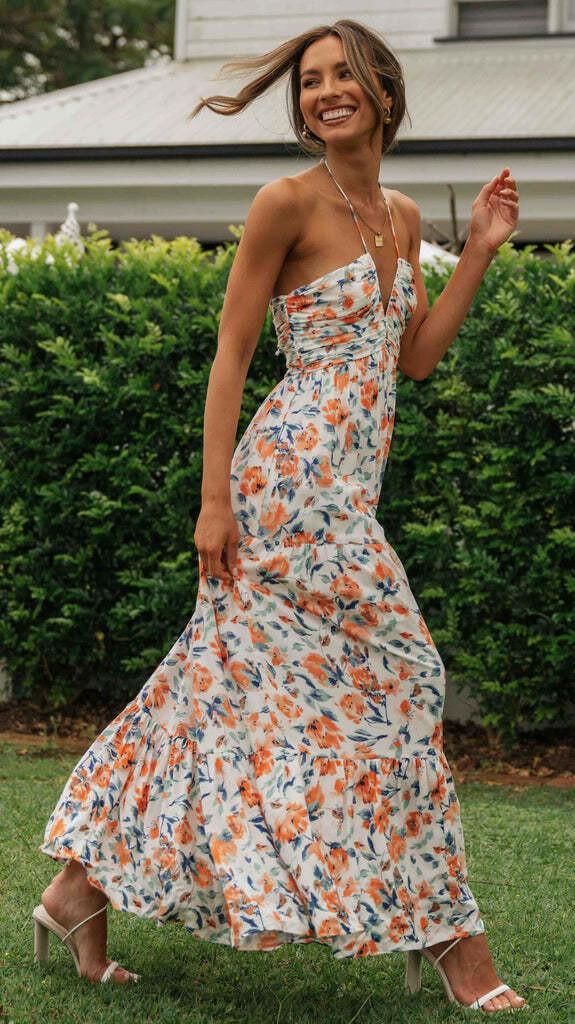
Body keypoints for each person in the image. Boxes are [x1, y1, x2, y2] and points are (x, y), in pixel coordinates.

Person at [34, 18, 526, 1013]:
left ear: (383, 92)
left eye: (343, 75)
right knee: (406, 677)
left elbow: (414, 357)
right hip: (283, 489)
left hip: (347, 492)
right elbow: (230, 355)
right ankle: (452, 941)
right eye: (308, 80)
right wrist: (213, 500)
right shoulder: (285, 203)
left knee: (213, 695)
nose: (323, 91)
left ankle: (77, 891)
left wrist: (476, 249)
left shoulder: (395, 214)